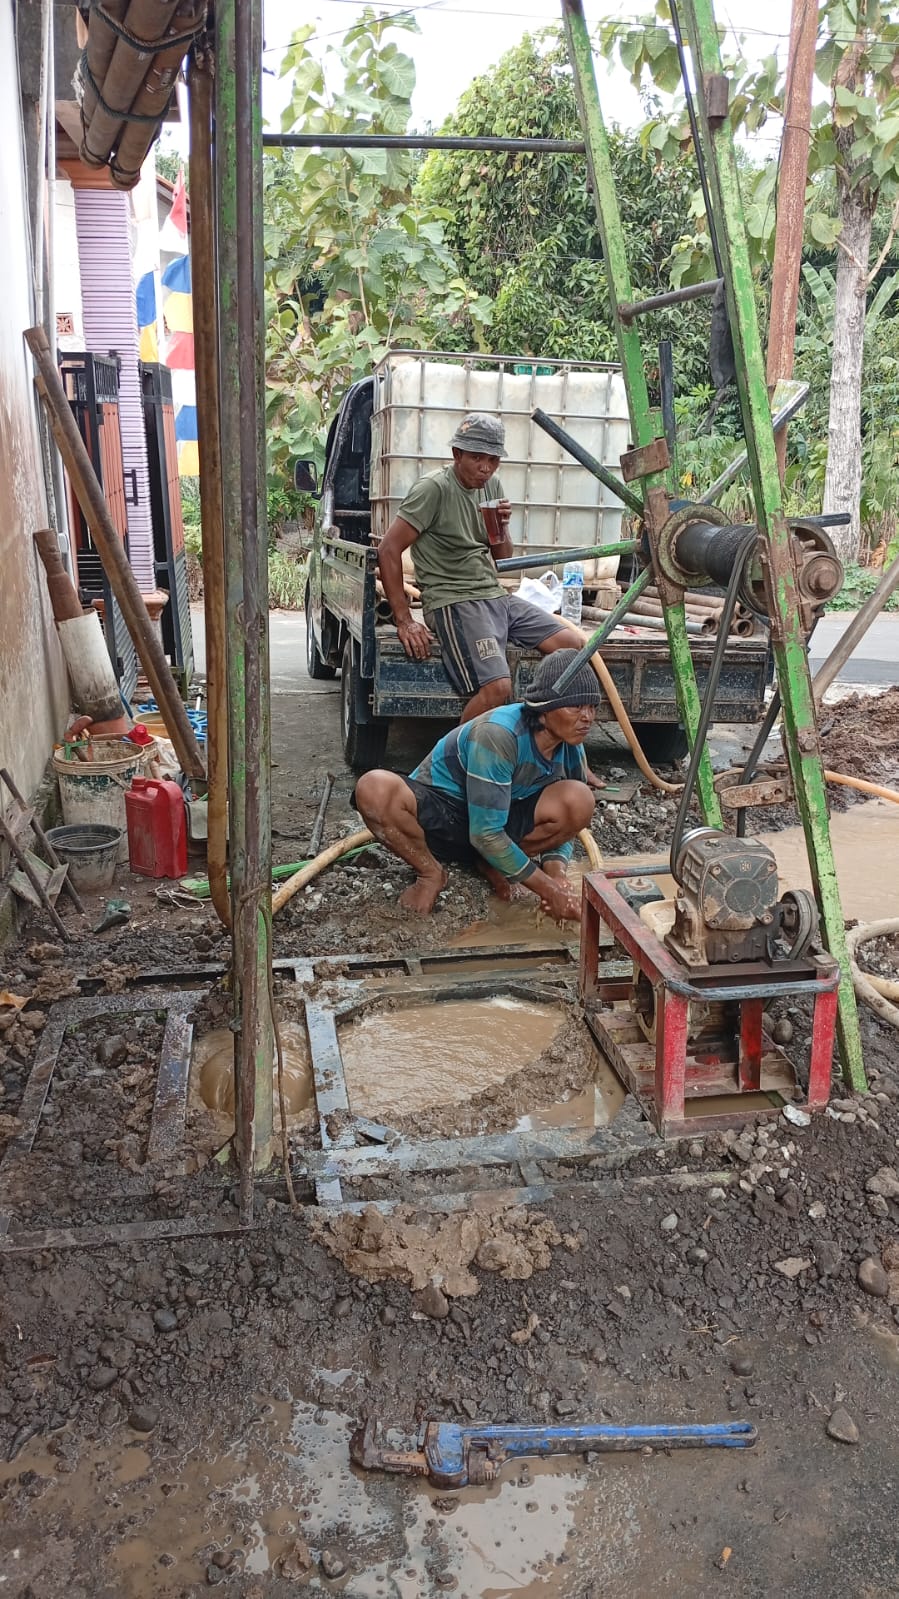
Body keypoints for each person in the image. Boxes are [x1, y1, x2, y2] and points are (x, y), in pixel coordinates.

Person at [353, 648, 599, 919]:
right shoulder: (499, 734)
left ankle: (492, 863)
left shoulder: (571, 746)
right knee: (373, 787)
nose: (587, 717)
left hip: (498, 823)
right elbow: (485, 834)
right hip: (448, 817)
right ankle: (430, 873)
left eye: (592, 707)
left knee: (579, 799)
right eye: (575, 706)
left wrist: (557, 875)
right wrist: (550, 891)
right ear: (543, 710)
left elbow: (567, 829)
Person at [377, 411, 584, 724]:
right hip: (454, 599)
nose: (485, 468)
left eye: (493, 460)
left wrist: (501, 526)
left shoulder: (493, 485)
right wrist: (405, 620)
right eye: (477, 458)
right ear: (457, 454)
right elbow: (388, 549)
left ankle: (530, 735)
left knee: (572, 647)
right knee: (497, 688)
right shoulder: (433, 489)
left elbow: (502, 557)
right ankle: (451, 765)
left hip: (493, 594)